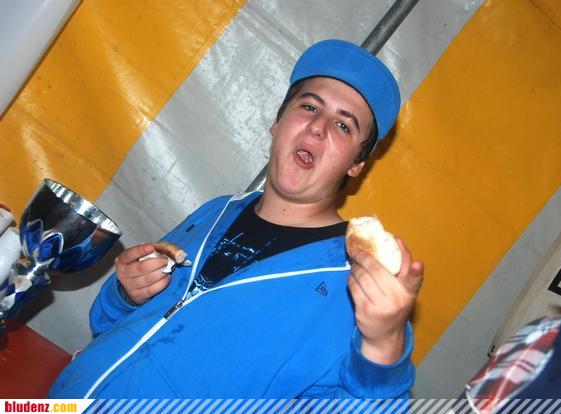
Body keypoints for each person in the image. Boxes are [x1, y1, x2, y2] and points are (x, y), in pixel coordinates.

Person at [49, 39, 424, 399]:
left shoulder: (357, 281)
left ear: (357, 164)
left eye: (344, 125)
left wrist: (384, 344)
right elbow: (109, 323)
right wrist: (125, 294)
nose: (318, 127)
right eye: (310, 106)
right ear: (278, 122)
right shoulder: (219, 210)